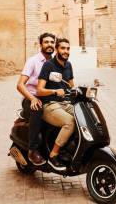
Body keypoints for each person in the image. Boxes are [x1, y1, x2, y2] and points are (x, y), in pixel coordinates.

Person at [16, 32, 55, 165]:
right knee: (37, 109)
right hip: (31, 97)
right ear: (41, 45)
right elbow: (20, 85)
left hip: (48, 97)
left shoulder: (54, 62)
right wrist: (32, 98)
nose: (49, 44)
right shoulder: (33, 61)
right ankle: (32, 150)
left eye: (52, 42)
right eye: (46, 42)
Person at [37, 38, 75, 170]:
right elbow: (39, 90)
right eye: (63, 48)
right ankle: (53, 155)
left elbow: (71, 86)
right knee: (70, 122)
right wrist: (54, 91)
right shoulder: (49, 65)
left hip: (65, 103)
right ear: (57, 49)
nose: (66, 51)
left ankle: (71, 149)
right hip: (50, 104)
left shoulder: (68, 65)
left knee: (83, 117)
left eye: (68, 48)